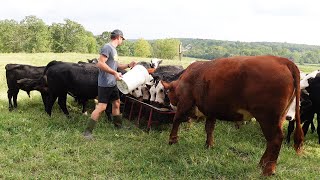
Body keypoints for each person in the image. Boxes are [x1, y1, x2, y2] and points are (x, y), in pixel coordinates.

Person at [84, 29, 136, 139]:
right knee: (101, 107)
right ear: (118, 37)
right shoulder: (107, 47)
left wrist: (128, 64)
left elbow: (116, 66)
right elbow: (100, 64)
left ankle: (118, 126)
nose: (122, 41)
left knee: (116, 103)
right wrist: (114, 73)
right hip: (105, 84)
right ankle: (87, 132)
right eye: (122, 38)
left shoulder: (114, 50)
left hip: (112, 83)